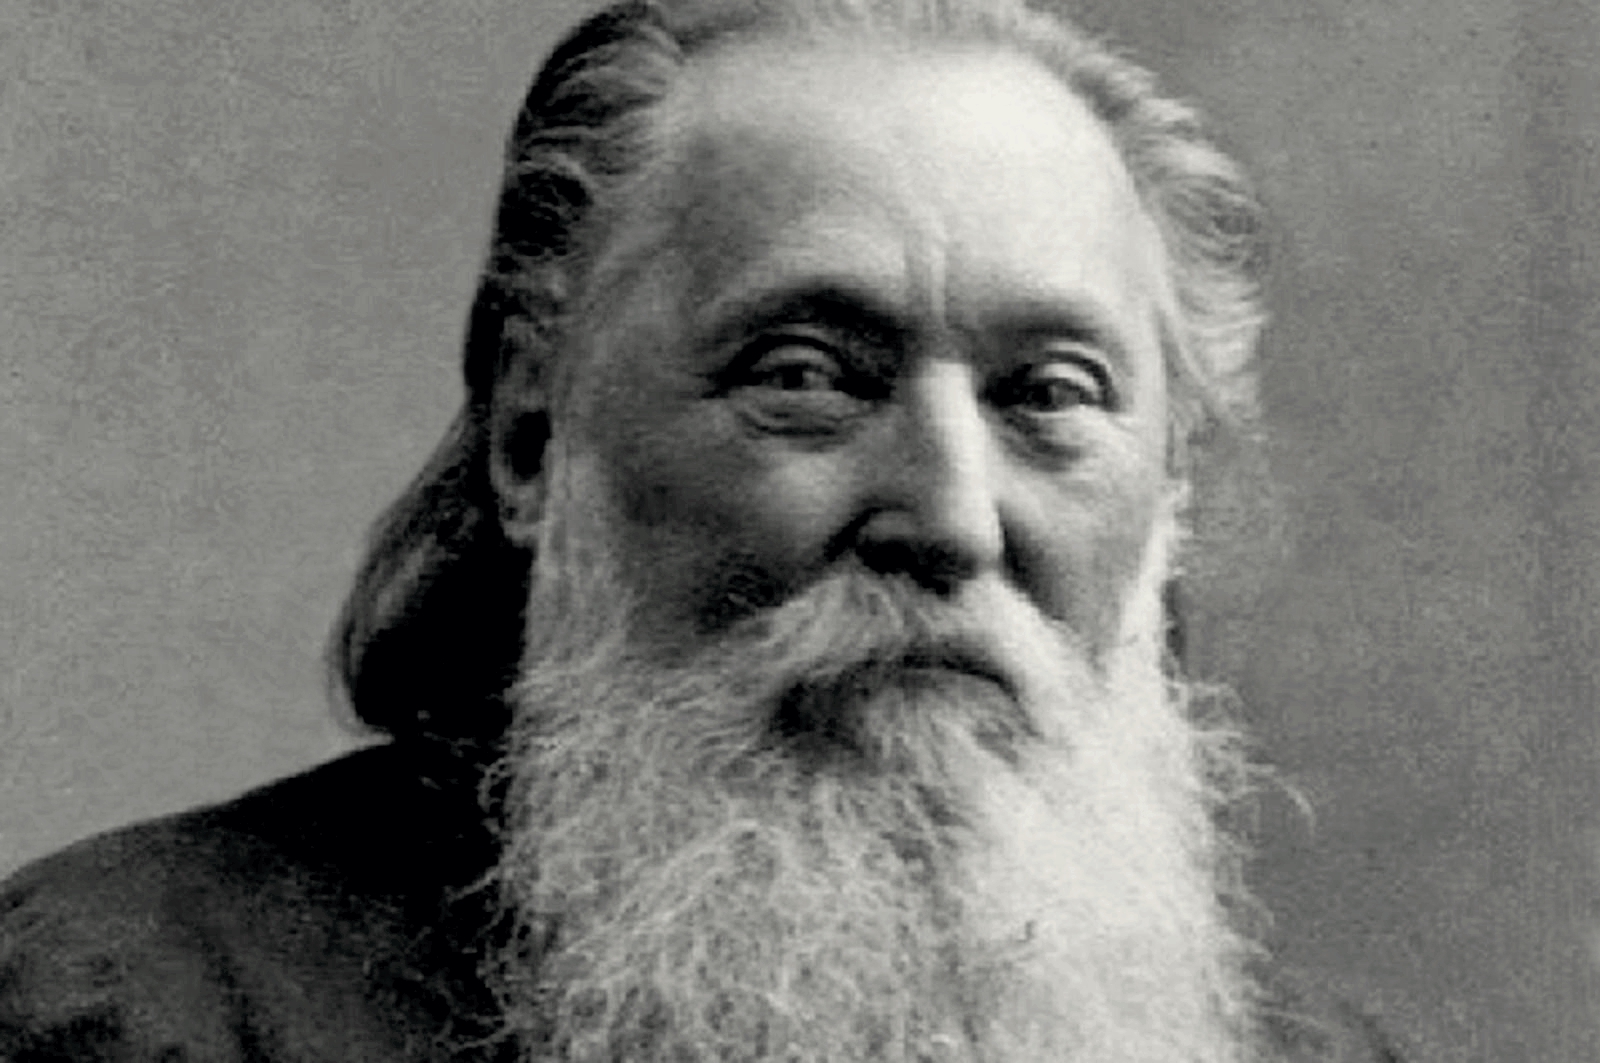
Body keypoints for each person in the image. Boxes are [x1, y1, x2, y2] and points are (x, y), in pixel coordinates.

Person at [0, 0, 1404, 1059]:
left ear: (1168, 497)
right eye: (806, 376)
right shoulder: (133, 1007)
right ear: (533, 440)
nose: (951, 517)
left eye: (1049, 395)